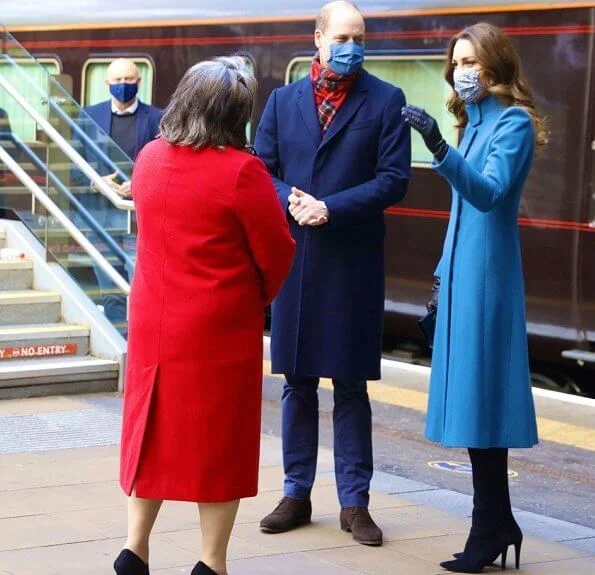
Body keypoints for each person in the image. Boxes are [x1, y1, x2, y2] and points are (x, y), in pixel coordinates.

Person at [114, 57, 295, 575]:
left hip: (153, 322)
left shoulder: (148, 157)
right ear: (235, 115)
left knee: (150, 431)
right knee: (217, 444)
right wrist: (251, 296)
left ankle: (135, 548)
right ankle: (211, 563)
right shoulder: (242, 172)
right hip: (218, 329)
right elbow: (277, 251)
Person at [255, 0, 411, 546]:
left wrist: (331, 207)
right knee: (297, 383)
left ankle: (355, 504)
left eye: (360, 36)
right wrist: (292, 203)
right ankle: (296, 493)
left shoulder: (387, 101)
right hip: (296, 259)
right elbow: (261, 168)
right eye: (343, 36)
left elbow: (394, 179)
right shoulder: (281, 100)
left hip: (352, 263)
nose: (353, 46)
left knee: (350, 387)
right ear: (317, 39)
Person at [401, 22, 548, 573]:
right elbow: (459, 218)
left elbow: (486, 196)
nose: (463, 72)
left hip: (488, 283)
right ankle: (494, 521)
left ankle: (490, 525)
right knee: (473, 404)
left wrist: (437, 145)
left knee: (481, 401)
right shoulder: (473, 127)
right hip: (463, 279)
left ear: (496, 65)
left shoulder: (512, 124)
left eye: (472, 62)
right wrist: (440, 280)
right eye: (456, 63)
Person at [75, 59, 162, 328]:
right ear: (107, 84)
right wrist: (96, 181)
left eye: (128, 79)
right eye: (117, 80)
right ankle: (118, 342)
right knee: (109, 289)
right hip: (100, 218)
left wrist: (139, 183)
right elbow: (72, 166)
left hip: (140, 220)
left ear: (139, 81)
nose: (123, 85)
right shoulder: (87, 116)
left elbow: (164, 165)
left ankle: (140, 340)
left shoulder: (158, 118)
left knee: (142, 285)